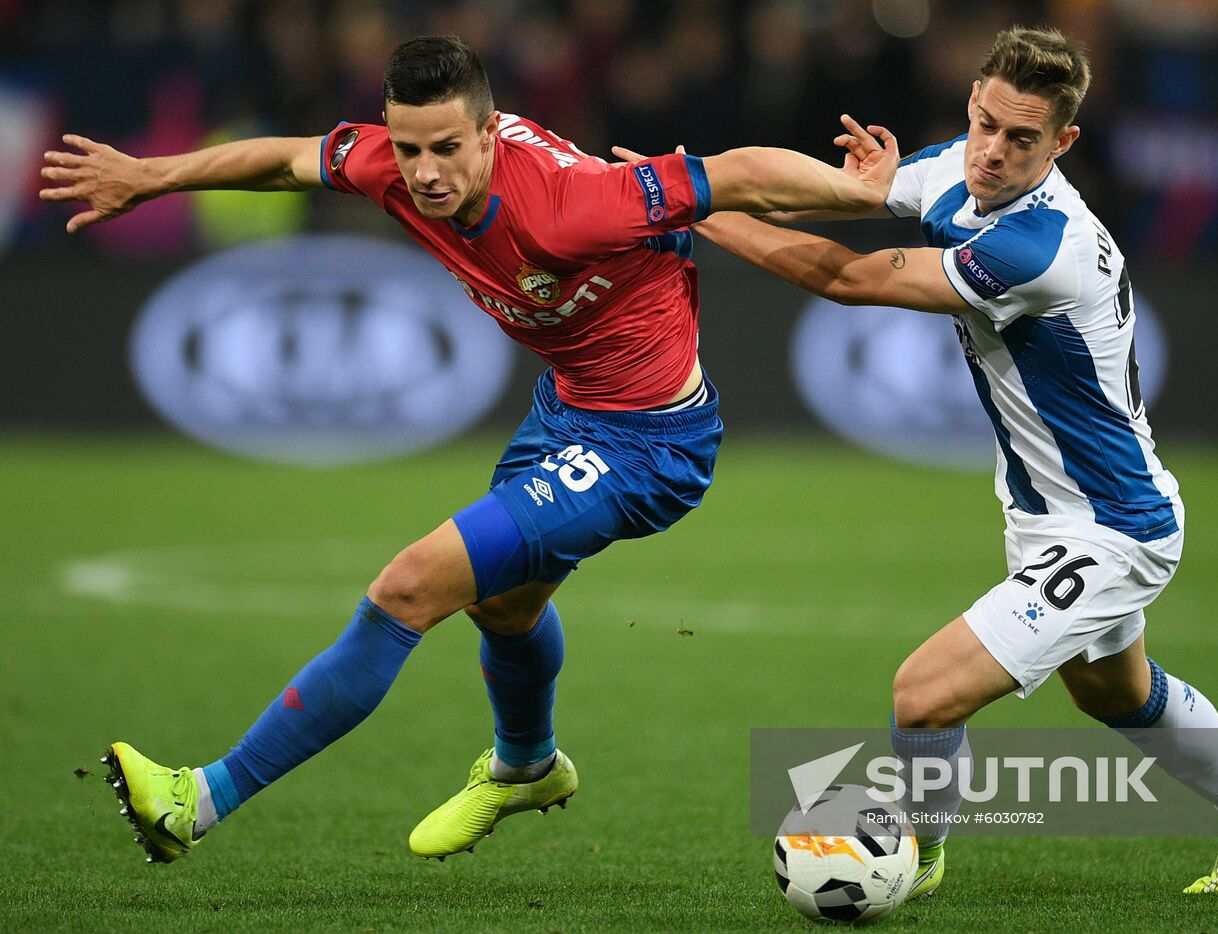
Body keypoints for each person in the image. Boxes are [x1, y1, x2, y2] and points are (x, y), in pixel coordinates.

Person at [39, 34, 898, 864]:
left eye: (448, 148)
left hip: (648, 446)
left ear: (490, 132)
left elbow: (737, 174)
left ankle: (201, 799)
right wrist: (151, 177)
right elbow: (290, 158)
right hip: (565, 413)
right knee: (506, 610)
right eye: (409, 149)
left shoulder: (572, 207)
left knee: (409, 586)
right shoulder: (396, 169)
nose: (425, 173)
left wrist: (854, 194)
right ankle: (526, 768)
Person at [653, 25, 1218, 897]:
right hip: (1045, 515)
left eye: (1021, 140)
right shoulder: (958, 166)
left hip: (1115, 528)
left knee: (922, 695)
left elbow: (848, 280)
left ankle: (913, 861)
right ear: (972, 102)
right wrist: (696, 176)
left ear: (1063, 143)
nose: (992, 153)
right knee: (1116, 695)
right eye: (983, 124)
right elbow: (846, 192)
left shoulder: (1039, 248)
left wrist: (694, 207)